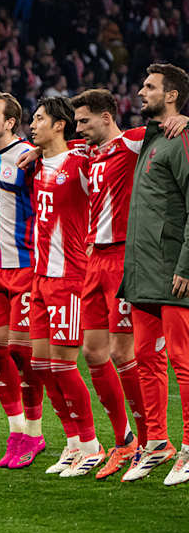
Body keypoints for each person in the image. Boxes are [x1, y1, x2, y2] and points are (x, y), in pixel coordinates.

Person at [71, 89, 151, 479]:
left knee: (124, 353)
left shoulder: (132, 142)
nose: (79, 129)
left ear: (106, 117)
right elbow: (59, 144)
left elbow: (170, 131)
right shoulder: (88, 152)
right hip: (92, 258)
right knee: (93, 352)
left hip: (121, 258)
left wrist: (181, 120)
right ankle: (125, 441)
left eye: (85, 121)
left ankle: (154, 441)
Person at [27, 96, 104, 477]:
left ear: (61, 124)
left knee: (64, 365)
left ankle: (91, 445)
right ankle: (72, 443)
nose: (32, 124)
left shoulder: (80, 162)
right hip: (39, 278)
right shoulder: (39, 164)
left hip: (70, 277)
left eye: (39, 119)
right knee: (42, 365)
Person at [121, 63, 189, 485]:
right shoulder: (150, 138)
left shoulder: (180, 139)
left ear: (173, 96)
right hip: (144, 274)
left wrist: (186, 266)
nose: (141, 91)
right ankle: (157, 443)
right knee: (146, 359)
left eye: (150, 87)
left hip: (173, 273)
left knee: (183, 362)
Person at [0, 92, 43, 469]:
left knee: (22, 353)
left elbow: (73, 152)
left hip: (24, 267)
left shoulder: (26, 157)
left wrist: (39, 151)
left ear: (10, 123)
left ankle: (34, 432)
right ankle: (16, 430)